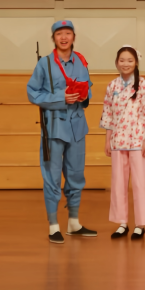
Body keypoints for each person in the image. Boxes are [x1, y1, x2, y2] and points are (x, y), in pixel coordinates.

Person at [27, 20, 95, 243]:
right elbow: (32, 93)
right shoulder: (45, 63)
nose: (64, 37)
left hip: (77, 127)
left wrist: (84, 96)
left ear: (73, 37)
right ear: (53, 38)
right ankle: (53, 226)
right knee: (52, 177)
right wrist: (60, 97)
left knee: (76, 175)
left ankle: (74, 223)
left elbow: (89, 89)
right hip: (54, 127)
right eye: (59, 34)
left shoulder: (81, 61)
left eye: (68, 33)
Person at [101, 45, 145, 240]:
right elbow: (108, 114)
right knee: (118, 183)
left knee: (141, 183)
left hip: (138, 140)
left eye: (130, 60)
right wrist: (108, 140)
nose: (125, 64)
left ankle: (140, 224)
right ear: (116, 63)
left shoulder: (144, 85)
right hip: (118, 140)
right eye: (122, 60)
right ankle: (122, 223)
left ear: (136, 63)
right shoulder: (112, 86)